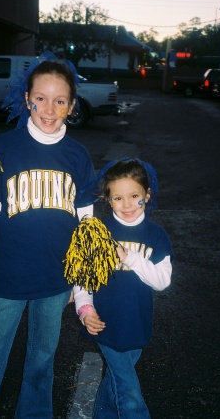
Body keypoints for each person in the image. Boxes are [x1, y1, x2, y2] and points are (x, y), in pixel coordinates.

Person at [0, 57, 96, 419]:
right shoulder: (4, 148)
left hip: (56, 280)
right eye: (41, 98)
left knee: (41, 363)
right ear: (27, 98)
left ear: (71, 106)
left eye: (60, 100)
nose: (50, 109)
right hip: (9, 277)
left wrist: (82, 290)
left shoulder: (78, 156)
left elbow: (86, 226)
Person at [73, 158, 173, 419]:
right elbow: (84, 276)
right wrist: (85, 309)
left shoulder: (156, 235)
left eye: (134, 196)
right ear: (108, 199)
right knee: (129, 392)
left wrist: (129, 257)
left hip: (137, 324)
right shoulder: (99, 231)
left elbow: (162, 281)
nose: (127, 205)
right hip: (106, 322)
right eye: (118, 198)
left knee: (116, 381)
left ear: (147, 196)